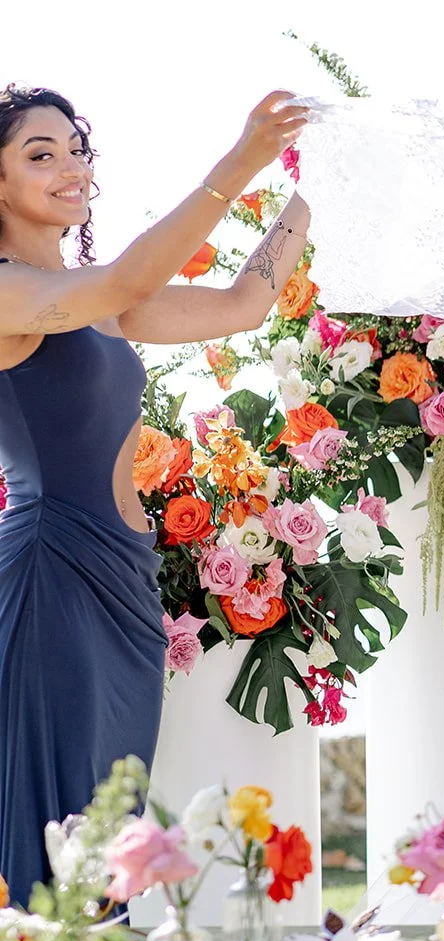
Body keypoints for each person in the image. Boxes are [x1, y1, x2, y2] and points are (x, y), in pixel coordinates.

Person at [0, 86, 310, 895]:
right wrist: (241, 162)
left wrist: (315, 191)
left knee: (109, 835)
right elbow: (124, 279)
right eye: (41, 155)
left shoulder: (97, 299)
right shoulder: (9, 293)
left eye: (76, 149)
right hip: (52, 580)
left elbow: (245, 303)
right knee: (61, 832)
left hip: (123, 586)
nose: (71, 167)